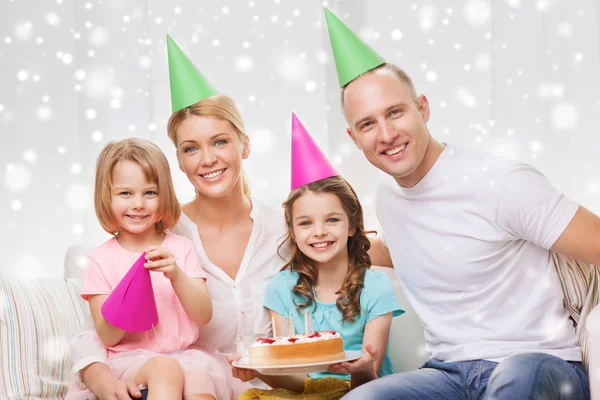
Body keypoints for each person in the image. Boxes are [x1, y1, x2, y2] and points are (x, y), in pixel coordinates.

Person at [321, 8, 597, 399]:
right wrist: (331, 251)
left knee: (517, 376)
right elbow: (410, 246)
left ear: (423, 108)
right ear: (353, 137)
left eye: (395, 112)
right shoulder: (388, 201)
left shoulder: (501, 182)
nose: (386, 134)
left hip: (537, 364)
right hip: (447, 376)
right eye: (368, 124)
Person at [67, 36, 287, 400]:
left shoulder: (286, 227)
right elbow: (97, 333)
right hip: (163, 376)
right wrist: (99, 377)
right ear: (180, 163)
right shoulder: (160, 230)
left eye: (219, 141)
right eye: (191, 149)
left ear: (244, 145)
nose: (207, 159)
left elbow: (347, 248)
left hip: (252, 384)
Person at [232, 114, 404, 400]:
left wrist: (360, 367)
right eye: (306, 223)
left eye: (332, 220)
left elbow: (370, 377)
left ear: (352, 225)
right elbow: (295, 380)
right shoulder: (281, 289)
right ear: (292, 231)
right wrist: (259, 370)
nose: (319, 233)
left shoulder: (374, 287)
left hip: (364, 390)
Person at [68, 137, 231, 400]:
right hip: (130, 362)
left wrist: (176, 275)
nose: (138, 204)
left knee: (201, 381)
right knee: (164, 368)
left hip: (185, 356)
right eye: (125, 193)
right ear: (106, 197)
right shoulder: (100, 259)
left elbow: (203, 315)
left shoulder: (182, 248)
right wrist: (130, 293)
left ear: (163, 195)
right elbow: (107, 337)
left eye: (150, 193)